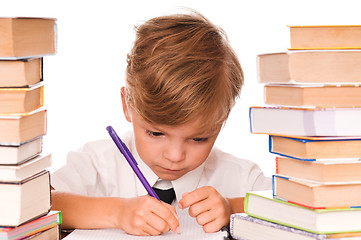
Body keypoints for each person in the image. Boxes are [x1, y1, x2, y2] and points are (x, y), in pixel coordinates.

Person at [50, 10, 271, 236]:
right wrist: (118, 212)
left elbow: (293, 208)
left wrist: (232, 207)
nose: (175, 156)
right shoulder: (97, 164)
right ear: (127, 105)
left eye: (198, 138)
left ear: (222, 121)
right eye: (156, 134)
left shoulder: (241, 177)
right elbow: (43, 204)